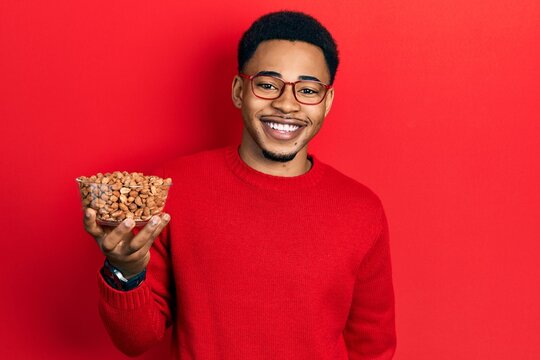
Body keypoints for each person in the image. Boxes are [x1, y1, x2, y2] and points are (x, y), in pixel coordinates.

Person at [83, 10, 396, 359]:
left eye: (308, 90)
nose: (286, 104)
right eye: (267, 84)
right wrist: (125, 272)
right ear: (238, 91)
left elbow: (374, 348)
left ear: (327, 103)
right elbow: (136, 340)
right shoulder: (173, 188)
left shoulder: (361, 209)